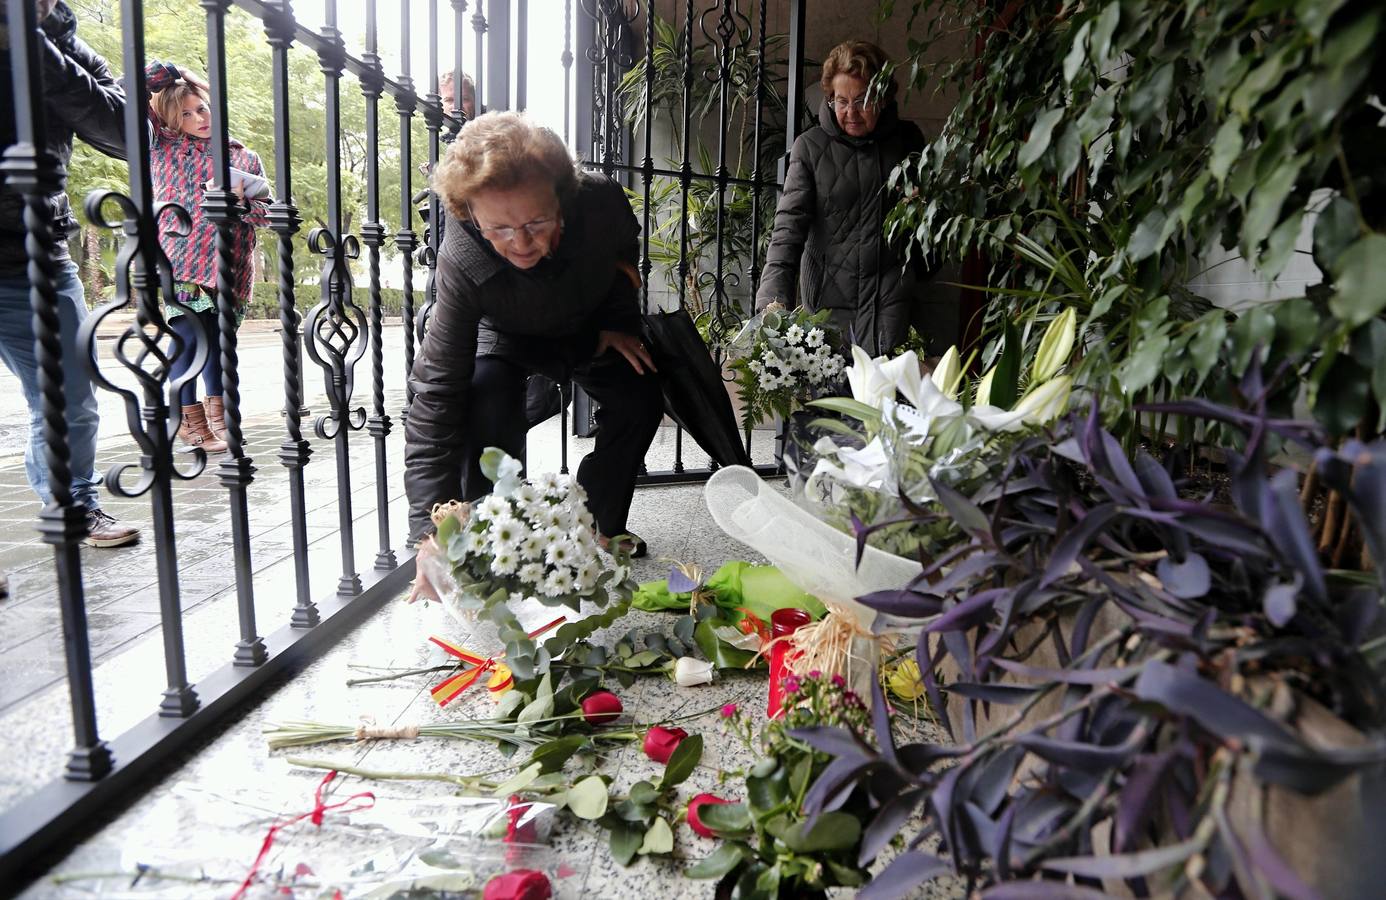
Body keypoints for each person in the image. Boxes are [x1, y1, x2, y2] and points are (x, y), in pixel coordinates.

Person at [404, 111, 663, 557]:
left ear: (562, 201)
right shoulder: (462, 258)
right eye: (500, 229)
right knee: (484, 400)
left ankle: (596, 521)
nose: (520, 242)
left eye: (536, 223)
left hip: (583, 322)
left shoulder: (600, 201)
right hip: (504, 333)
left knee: (639, 393)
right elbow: (436, 392)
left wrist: (617, 322)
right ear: (471, 215)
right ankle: (493, 540)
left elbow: (623, 254)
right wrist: (431, 530)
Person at [0, 0, 139, 548]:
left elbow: (124, 131)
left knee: (71, 398)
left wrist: (37, 51)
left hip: (36, 254)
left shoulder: (64, 45)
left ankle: (74, 508)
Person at [756, 40, 928, 357]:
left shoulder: (908, 142)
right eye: (841, 101)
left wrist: (924, 211)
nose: (851, 113)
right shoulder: (810, 148)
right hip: (826, 314)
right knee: (825, 404)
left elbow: (928, 238)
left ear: (884, 97)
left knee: (879, 402)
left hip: (888, 310)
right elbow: (787, 231)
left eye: (862, 101)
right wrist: (772, 301)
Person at [145, 61, 270, 453]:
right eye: (185, 113)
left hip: (230, 266)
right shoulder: (161, 148)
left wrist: (240, 204)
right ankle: (187, 417)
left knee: (219, 342)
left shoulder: (243, 158)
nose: (198, 118)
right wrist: (176, 74)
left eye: (202, 108)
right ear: (170, 118)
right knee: (185, 338)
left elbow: (270, 212)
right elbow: (129, 106)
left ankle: (220, 418)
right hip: (180, 262)